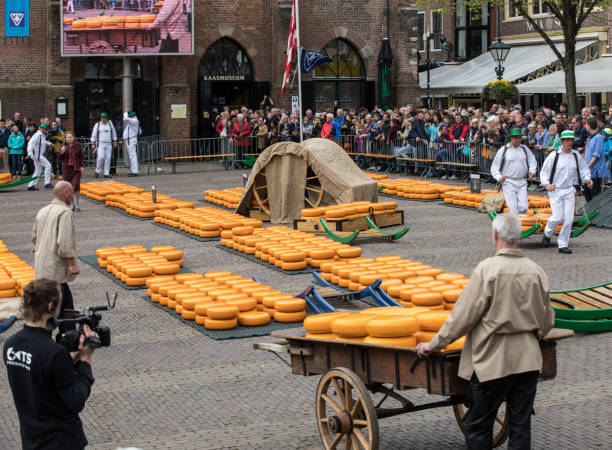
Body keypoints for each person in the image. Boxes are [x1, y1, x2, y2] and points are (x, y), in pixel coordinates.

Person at [417, 213, 555, 450]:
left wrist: (435, 344)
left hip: (493, 362)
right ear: (519, 237)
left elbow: (463, 317)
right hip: (528, 361)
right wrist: (531, 336)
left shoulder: (487, 270)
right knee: (521, 426)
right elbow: (547, 319)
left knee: (480, 426)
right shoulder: (536, 270)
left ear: (495, 235)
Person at [3, 278, 96, 449]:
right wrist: (85, 361)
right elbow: (76, 401)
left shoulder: (11, 345)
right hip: (60, 441)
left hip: (31, 440)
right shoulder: (54, 353)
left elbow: (41, 374)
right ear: (51, 306)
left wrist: (71, 359)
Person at [32, 181, 79, 329]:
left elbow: (34, 239)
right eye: (72, 193)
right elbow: (64, 243)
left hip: (41, 269)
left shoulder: (42, 211)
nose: (72, 196)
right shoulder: (65, 212)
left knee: (47, 308)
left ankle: (45, 338)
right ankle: (68, 341)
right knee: (65, 312)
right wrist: (72, 264)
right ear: (65, 193)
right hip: (55, 272)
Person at [540, 130, 593, 254]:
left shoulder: (576, 155)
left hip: (569, 189)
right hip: (556, 190)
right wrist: (547, 184)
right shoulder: (554, 156)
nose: (569, 142)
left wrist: (588, 179)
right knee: (557, 216)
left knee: (569, 219)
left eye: (571, 140)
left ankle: (563, 244)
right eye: (567, 140)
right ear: (562, 141)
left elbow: (584, 169)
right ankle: (547, 233)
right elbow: (544, 172)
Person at [490, 128, 537, 215]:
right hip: (508, 182)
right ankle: (515, 225)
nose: (517, 139)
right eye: (515, 137)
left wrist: (532, 171)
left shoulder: (524, 149)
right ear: (511, 138)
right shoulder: (504, 150)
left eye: (519, 137)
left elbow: (532, 161)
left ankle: (517, 222)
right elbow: (494, 167)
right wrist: (499, 177)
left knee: (524, 207)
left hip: (522, 181)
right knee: (513, 208)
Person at [583, 116, 609, 200]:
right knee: (587, 194)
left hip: (595, 171)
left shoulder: (598, 138)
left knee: (595, 196)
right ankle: (589, 212)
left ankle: (596, 213)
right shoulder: (589, 138)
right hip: (589, 171)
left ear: (589, 126)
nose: (586, 127)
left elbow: (596, 155)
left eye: (586, 125)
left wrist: (588, 165)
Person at [59, 132, 84, 211]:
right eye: (68, 137)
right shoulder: (63, 146)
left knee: (76, 185)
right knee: (69, 187)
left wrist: (82, 166)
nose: (69, 139)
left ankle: (77, 203)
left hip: (76, 168)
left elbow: (81, 156)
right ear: (65, 139)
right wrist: (62, 152)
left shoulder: (78, 145)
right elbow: (60, 158)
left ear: (73, 137)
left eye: (71, 137)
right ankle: (72, 204)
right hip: (67, 169)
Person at [26, 123, 53, 191]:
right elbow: (30, 143)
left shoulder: (42, 135)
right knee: (48, 165)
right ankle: (47, 183)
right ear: (41, 129)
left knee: (38, 170)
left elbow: (43, 142)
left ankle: (31, 185)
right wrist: (29, 153)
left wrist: (49, 143)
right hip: (37, 155)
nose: (46, 131)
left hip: (38, 155)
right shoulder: (37, 135)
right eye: (45, 129)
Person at [90, 113, 117, 178]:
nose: (103, 119)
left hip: (109, 143)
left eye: (104, 118)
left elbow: (114, 133)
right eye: (102, 117)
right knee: (101, 157)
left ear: (107, 118)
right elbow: (94, 134)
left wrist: (115, 141)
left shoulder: (110, 124)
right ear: (101, 118)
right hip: (100, 143)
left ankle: (106, 173)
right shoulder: (97, 125)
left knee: (108, 158)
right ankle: (97, 171)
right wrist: (93, 143)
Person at [122, 109, 140, 176]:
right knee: (132, 156)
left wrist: (126, 112)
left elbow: (125, 119)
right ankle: (134, 170)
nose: (129, 117)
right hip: (130, 140)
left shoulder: (134, 121)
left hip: (131, 140)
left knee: (132, 156)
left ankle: (135, 171)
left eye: (130, 116)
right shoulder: (132, 122)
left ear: (132, 116)